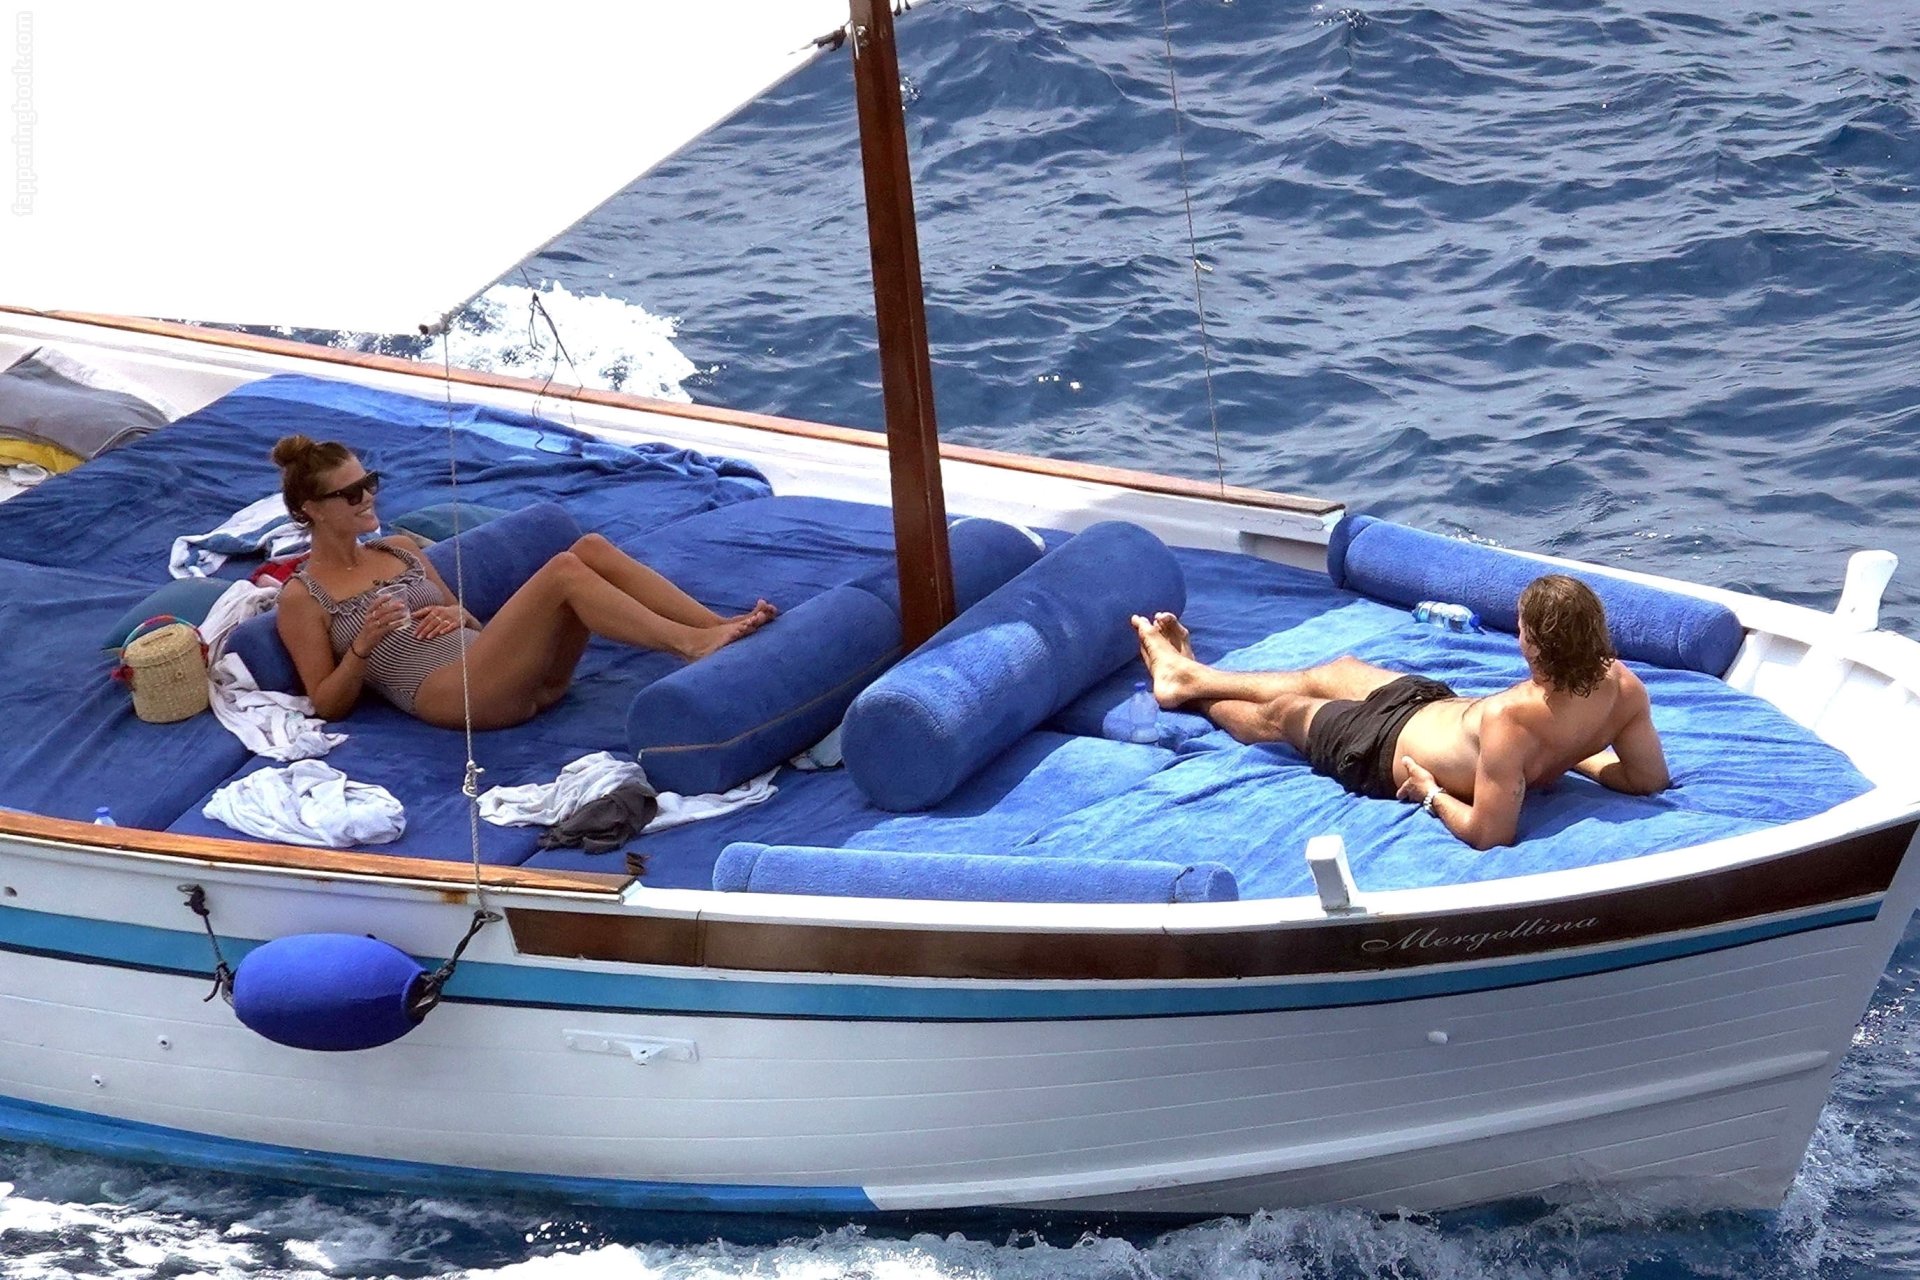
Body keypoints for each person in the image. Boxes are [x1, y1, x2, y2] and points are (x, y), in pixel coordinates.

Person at [272, 435, 776, 730]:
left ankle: (715, 627)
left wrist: (456, 614)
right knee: (563, 571)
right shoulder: (303, 597)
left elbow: (468, 620)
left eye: (369, 484)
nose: (366, 498)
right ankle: (690, 645)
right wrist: (363, 645)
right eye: (350, 493)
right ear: (312, 510)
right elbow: (326, 705)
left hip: (512, 677)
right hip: (456, 697)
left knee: (590, 548)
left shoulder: (399, 549)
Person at [1132, 574, 1669, 849]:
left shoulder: (1514, 723)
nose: (1518, 637)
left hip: (1383, 749)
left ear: (1535, 646)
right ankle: (1190, 675)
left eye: (1522, 629)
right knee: (1338, 670)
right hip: (1434, 704)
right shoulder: (1623, 689)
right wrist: (1573, 756)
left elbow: (1490, 834)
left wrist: (1430, 793)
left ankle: (1191, 692)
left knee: (1287, 713)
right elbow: (1645, 777)